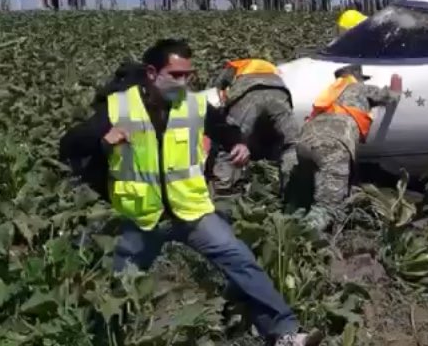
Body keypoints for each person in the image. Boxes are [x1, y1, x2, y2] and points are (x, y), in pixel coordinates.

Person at [59, 38, 318, 346]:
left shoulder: (194, 105)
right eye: (176, 75)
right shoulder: (118, 107)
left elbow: (225, 128)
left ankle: (283, 334)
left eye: (188, 75)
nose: (184, 82)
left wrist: (239, 143)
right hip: (142, 217)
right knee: (119, 288)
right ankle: (104, 338)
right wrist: (104, 139)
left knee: (241, 261)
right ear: (153, 74)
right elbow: (69, 144)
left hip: (191, 212)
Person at [283, 64, 400, 232]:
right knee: (327, 209)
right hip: (333, 146)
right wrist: (396, 87)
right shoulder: (359, 88)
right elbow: (390, 97)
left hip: (305, 143)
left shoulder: (329, 94)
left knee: (303, 200)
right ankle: (298, 239)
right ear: (357, 78)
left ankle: (286, 226)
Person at [204, 58, 302, 196]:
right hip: (279, 93)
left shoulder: (233, 66)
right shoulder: (269, 66)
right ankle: (291, 187)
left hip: (249, 93)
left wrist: (226, 109)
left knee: (232, 141)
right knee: (291, 143)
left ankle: (223, 188)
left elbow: (220, 87)